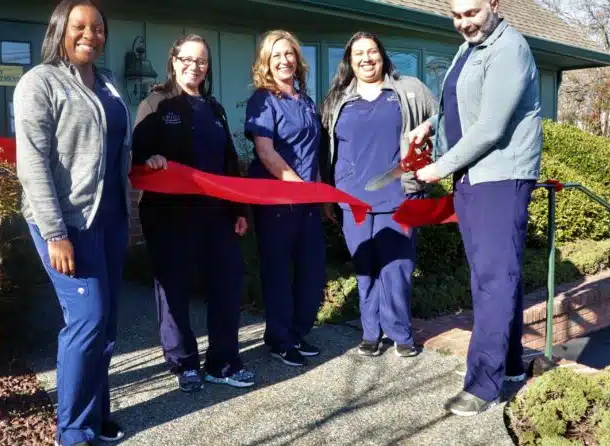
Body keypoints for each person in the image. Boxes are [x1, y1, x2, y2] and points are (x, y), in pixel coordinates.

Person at [411, 0, 543, 416]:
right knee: (499, 275)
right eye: (456, 15)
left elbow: (490, 126)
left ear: (494, 4)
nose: (463, 22)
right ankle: (509, 364)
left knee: (493, 280)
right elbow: (458, 101)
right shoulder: (471, 46)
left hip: (499, 177)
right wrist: (430, 123)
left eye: (471, 12)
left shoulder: (509, 49)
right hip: (473, 176)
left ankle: (483, 385)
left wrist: (437, 168)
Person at [13, 1, 130, 444]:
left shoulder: (109, 83)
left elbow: (116, 147)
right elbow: (33, 163)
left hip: (113, 220)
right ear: (60, 30)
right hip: (68, 224)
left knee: (105, 323)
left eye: (97, 28)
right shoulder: (39, 83)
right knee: (86, 319)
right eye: (79, 26)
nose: (90, 35)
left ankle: (97, 416)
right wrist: (56, 232)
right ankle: (73, 430)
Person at [131, 34, 255, 392]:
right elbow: (139, 156)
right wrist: (150, 160)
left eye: (201, 61)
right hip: (169, 217)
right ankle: (183, 363)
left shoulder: (214, 108)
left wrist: (239, 209)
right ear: (173, 60)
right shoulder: (156, 103)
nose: (194, 66)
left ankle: (223, 362)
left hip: (216, 215)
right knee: (174, 290)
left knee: (227, 285)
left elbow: (229, 164)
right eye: (187, 59)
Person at [319, 32, 437, 359]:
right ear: (350, 60)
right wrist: (329, 195)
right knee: (365, 267)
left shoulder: (409, 90)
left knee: (396, 268)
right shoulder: (337, 100)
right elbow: (325, 151)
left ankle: (400, 333)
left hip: (399, 197)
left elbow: (441, 121)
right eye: (359, 53)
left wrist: (432, 159)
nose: (366, 58)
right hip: (352, 200)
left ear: (382, 56)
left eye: (372, 52)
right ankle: (370, 332)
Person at [244, 30, 325, 367]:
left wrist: (319, 193)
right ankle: (279, 338)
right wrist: (296, 185)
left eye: (289, 54)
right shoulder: (263, 99)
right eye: (276, 55)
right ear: (266, 62)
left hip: (308, 201)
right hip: (278, 200)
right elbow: (264, 151)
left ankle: (297, 331)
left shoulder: (304, 100)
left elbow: (313, 153)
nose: (284, 60)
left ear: (297, 59)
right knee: (278, 272)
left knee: (312, 270)